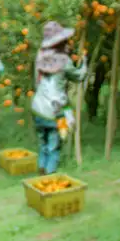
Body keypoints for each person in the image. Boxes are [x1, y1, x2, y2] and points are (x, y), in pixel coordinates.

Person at [29, 21, 85, 173]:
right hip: (54, 110)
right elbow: (79, 76)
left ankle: (41, 167)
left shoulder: (40, 57)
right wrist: (84, 63)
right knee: (54, 144)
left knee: (43, 142)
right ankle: (49, 174)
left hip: (37, 107)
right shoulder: (64, 61)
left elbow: (36, 82)